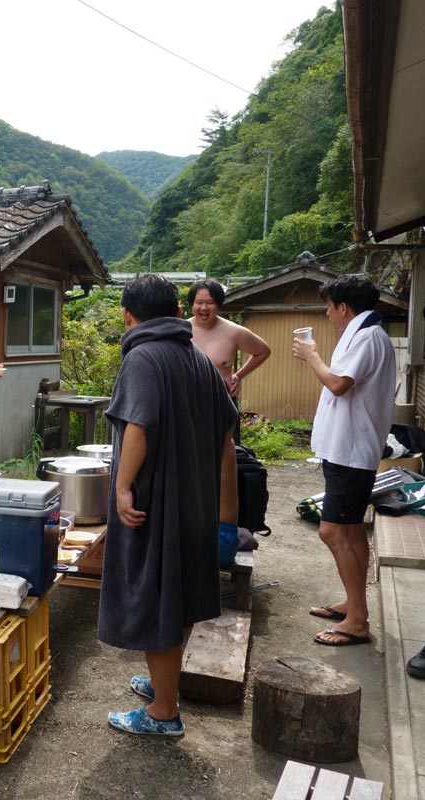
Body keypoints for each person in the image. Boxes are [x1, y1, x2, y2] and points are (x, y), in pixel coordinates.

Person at [99, 274, 237, 736]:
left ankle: (164, 713)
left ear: (127, 316)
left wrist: (121, 488)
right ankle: (162, 687)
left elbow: (137, 428)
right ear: (178, 312)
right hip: (191, 500)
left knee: (155, 597)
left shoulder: (142, 357)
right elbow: (225, 425)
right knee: (172, 597)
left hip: (153, 503)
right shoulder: (194, 356)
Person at [292, 275, 396, 647]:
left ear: (343, 307)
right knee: (350, 530)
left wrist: (311, 356)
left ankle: (357, 622)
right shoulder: (365, 332)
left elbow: (338, 383)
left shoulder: (367, 336)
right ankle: (354, 606)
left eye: (328, 306)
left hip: (352, 451)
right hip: (349, 449)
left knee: (332, 531)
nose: (326, 313)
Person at [188, 278, 271, 408]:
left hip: (223, 404)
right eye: (199, 302)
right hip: (188, 405)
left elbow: (263, 351)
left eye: (210, 302)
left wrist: (238, 376)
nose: (204, 307)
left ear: (219, 304)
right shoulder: (181, 331)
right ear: (192, 304)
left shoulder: (233, 331)